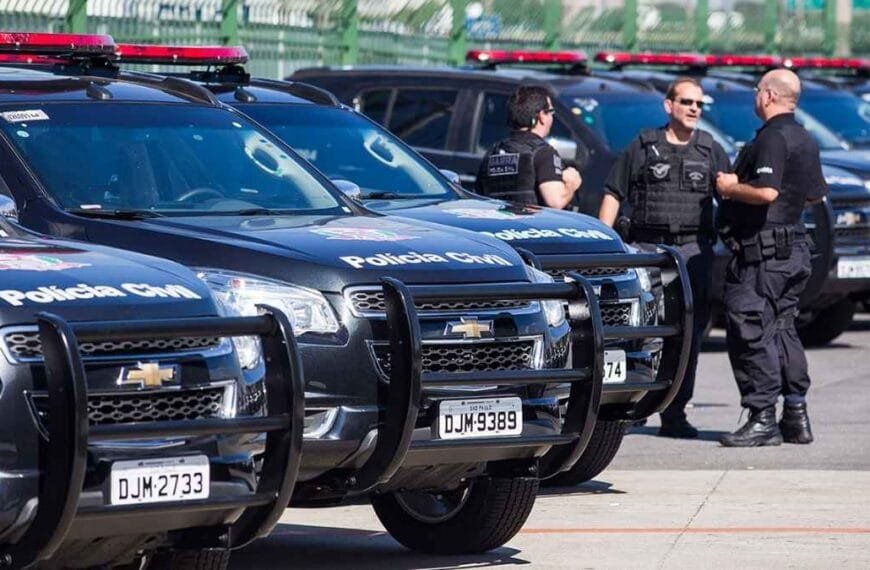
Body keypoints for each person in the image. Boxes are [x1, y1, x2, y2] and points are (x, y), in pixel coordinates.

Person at [598, 77, 731, 439]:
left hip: (693, 252)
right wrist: (602, 249)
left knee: (688, 336)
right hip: (647, 251)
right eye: (687, 102)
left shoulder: (710, 149)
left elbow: (730, 196)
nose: (694, 109)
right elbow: (613, 194)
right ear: (668, 105)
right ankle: (631, 408)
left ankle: (675, 413)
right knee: (640, 334)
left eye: (699, 105)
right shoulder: (642, 146)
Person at [715, 69, 827, 447]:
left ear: (768, 96)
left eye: (756, 90)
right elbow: (812, 196)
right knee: (783, 329)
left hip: (763, 256)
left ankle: (762, 417)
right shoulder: (805, 137)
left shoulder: (773, 139)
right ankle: (795, 415)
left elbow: (766, 193)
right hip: (793, 249)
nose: (755, 97)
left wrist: (731, 188)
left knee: (750, 330)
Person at [475, 85, 582, 208]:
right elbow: (555, 202)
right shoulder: (543, 153)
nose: (552, 118)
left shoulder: (493, 152)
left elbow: (479, 197)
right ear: (542, 116)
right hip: (532, 225)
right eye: (551, 112)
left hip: (498, 226)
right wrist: (571, 184)